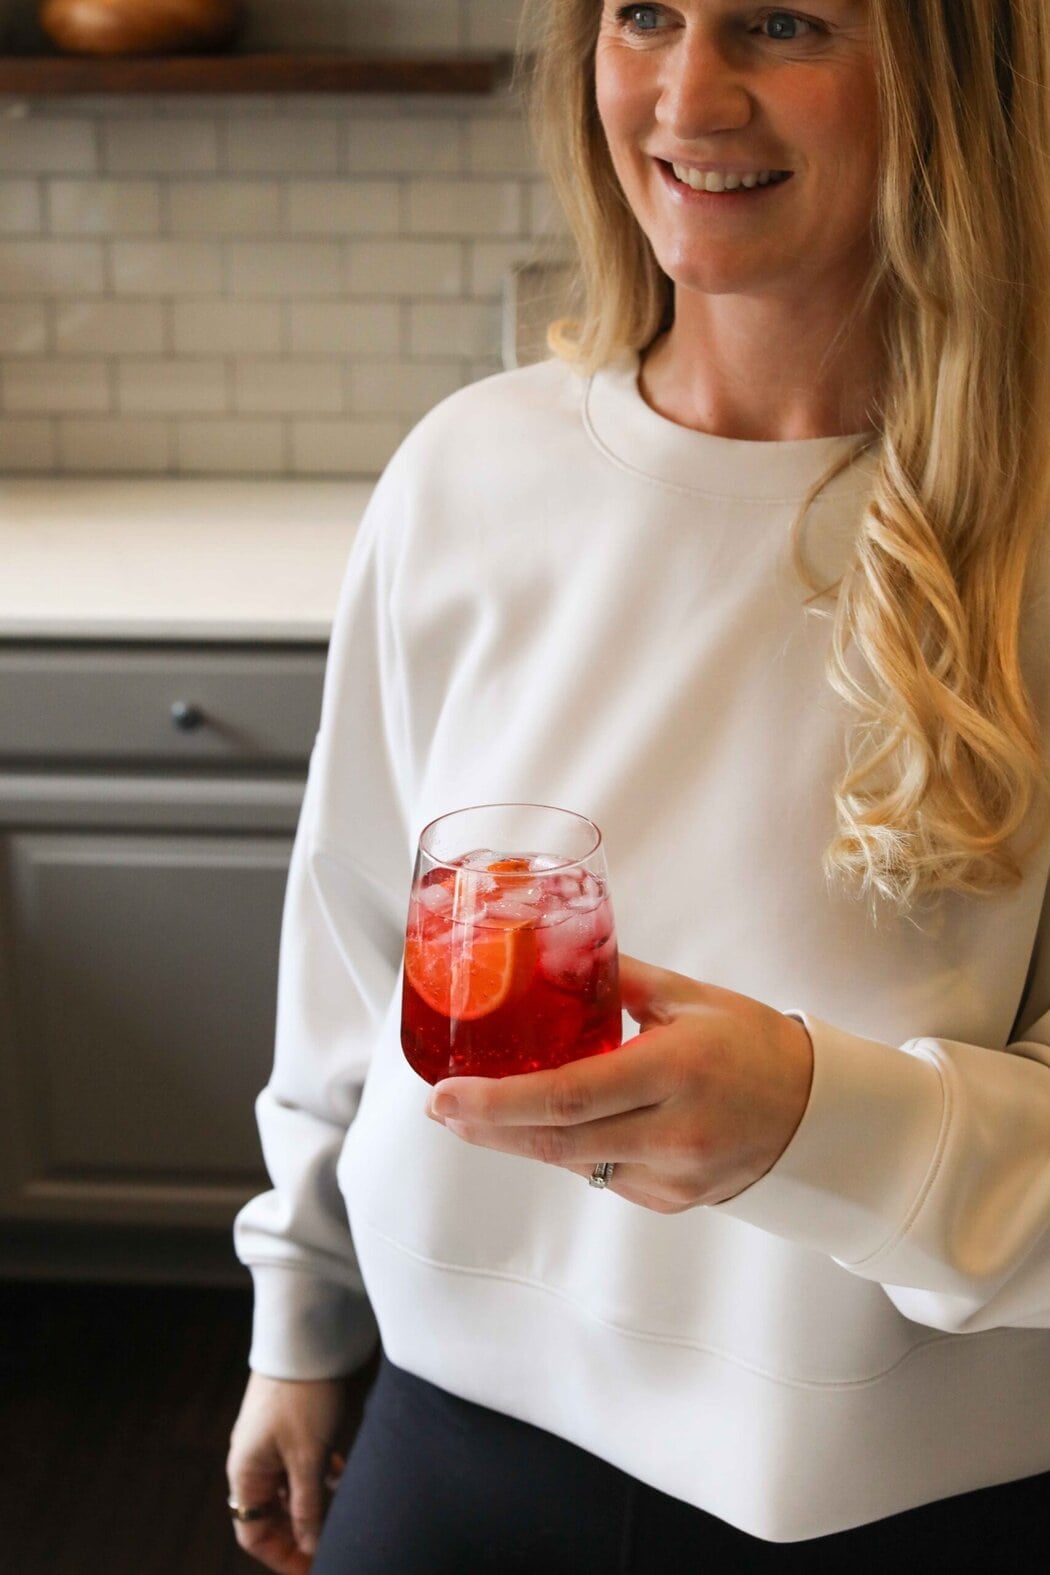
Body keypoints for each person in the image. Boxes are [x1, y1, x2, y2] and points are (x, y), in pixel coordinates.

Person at [226, 2, 1050, 1570]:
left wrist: (815, 1124)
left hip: (906, 1498)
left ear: (957, 80)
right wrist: (301, 1318)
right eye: (644, 14)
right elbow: (348, 965)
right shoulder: (471, 469)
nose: (685, 93)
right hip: (453, 1430)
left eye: (779, 21)